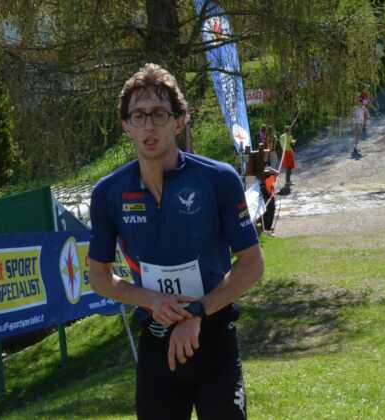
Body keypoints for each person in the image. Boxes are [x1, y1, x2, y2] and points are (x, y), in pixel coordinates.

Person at [88, 63, 264, 420]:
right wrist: (152, 300)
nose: (149, 126)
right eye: (138, 116)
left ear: (180, 121)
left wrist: (197, 311)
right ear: (126, 126)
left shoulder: (218, 179)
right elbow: (100, 277)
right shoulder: (108, 193)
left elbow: (252, 264)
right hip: (156, 341)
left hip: (214, 335)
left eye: (159, 114)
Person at [278, 125, 297, 195]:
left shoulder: (282, 136)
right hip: (288, 152)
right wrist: (293, 142)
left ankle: (288, 181)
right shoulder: (289, 136)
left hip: (284, 152)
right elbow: (292, 144)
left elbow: (282, 144)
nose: (290, 131)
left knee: (288, 167)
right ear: (288, 130)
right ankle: (287, 181)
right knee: (289, 168)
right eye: (290, 130)